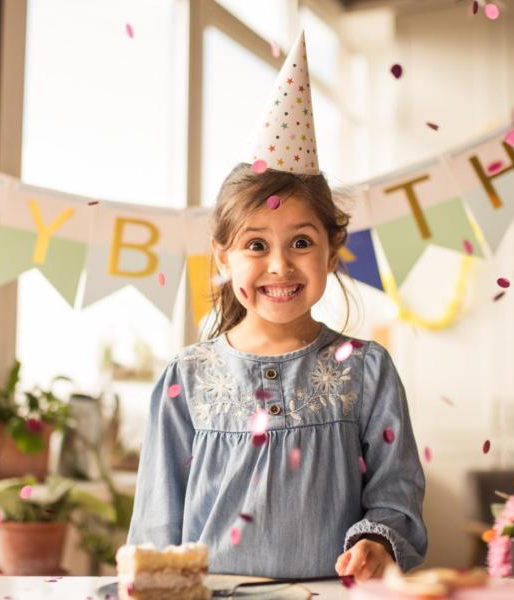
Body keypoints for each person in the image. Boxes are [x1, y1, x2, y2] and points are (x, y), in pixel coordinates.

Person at [127, 31, 427, 581]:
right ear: (223, 256)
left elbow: (396, 494)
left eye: (302, 243)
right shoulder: (185, 379)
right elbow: (155, 523)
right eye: (256, 244)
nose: (280, 267)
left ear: (334, 251)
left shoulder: (367, 370)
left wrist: (377, 544)